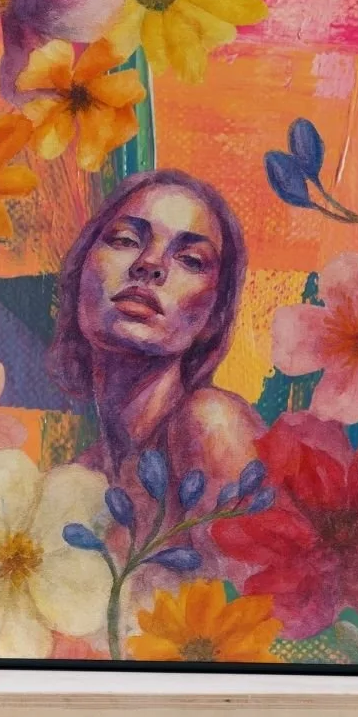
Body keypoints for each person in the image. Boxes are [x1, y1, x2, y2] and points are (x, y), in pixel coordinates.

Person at [48, 168, 261, 519]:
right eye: (125, 240)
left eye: (190, 260)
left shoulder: (211, 425)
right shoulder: (75, 480)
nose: (149, 264)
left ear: (214, 316)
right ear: (79, 272)